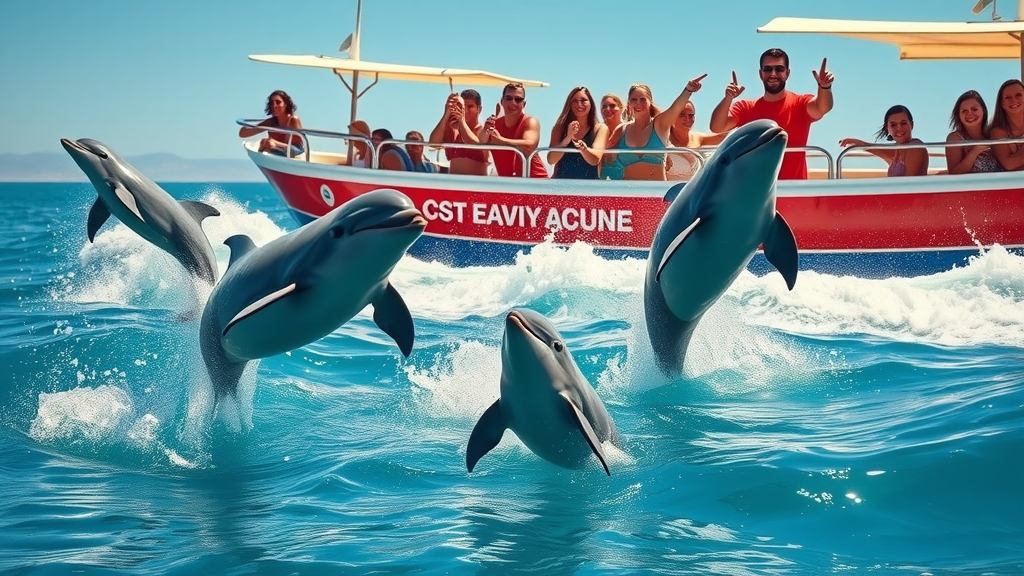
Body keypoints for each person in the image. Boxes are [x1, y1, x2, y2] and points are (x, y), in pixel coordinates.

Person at [710, 48, 835, 180]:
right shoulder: (745, 108)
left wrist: (825, 87)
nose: (773, 74)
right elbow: (717, 127)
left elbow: (822, 107)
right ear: (760, 74)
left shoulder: (800, 104)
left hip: (792, 190)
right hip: (754, 192)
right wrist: (728, 98)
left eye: (779, 69)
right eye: (768, 69)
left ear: (787, 73)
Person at [609, 76, 707, 181]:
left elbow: (675, 109)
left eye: (643, 99)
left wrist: (688, 90)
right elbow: (606, 160)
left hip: (656, 193)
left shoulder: (659, 125)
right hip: (628, 193)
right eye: (634, 100)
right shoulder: (622, 130)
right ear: (629, 103)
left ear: (650, 102)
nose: (638, 103)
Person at [479, 83, 548, 178]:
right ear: (502, 101)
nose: (513, 102)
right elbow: (480, 143)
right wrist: (485, 129)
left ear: (524, 104)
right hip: (509, 184)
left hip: (535, 183)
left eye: (518, 99)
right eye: (508, 98)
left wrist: (502, 141)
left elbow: (530, 144)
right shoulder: (494, 124)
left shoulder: (530, 122)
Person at [840, 105, 928, 177]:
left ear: (911, 125)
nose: (899, 128)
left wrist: (861, 144)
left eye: (903, 123)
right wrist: (859, 144)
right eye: (893, 125)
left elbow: (909, 185)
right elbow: (878, 150)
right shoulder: (898, 150)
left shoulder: (915, 147)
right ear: (887, 128)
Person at [547, 87, 608, 179]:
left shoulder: (600, 128)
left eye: (583, 100)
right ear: (569, 104)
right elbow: (551, 160)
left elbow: (595, 159)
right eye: (575, 101)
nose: (579, 104)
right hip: (561, 187)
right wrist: (568, 138)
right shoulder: (559, 128)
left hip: (589, 188)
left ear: (590, 103)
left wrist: (582, 148)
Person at [429, 89, 489, 176]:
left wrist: (461, 121)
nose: (466, 111)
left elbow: (475, 145)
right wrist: (446, 114)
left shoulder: (484, 131)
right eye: (463, 107)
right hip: (454, 185)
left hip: (477, 186)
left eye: (470, 106)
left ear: (479, 109)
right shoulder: (453, 131)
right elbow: (433, 143)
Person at [666, 101, 727, 181]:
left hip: (695, 190)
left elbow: (724, 136)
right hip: (669, 190)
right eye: (682, 115)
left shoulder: (697, 138)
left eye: (691, 115)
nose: (687, 119)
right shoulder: (664, 139)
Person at [945, 90, 1001, 174]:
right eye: (964, 111)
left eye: (974, 109)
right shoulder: (955, 138)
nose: (969, 114)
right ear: (958, 115)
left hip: (1000, 185)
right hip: (973, 186)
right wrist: (974, 152)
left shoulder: (993, 134)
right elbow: (954, 174)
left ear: (983, 110)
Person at [238, 90, 304, 157]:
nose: (274, 106)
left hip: (296, 152)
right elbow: (242, 133)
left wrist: (274, 143)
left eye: (278, 102)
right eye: (272, 103)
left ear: (285, 104)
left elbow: (299, 146)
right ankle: (264, 162)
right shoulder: (271, 122)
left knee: (269, 143)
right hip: (278, 151)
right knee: (264, 142)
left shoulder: (293, 119)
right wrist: (258, 127)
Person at [988, 78, 1024, 172]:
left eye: (1018, 95)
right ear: (1002, 104)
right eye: (1008, 98)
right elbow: (1008, 165)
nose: (1014, 100)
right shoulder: (997, 131)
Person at [598, 94, 628, 180]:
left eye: (612, 106)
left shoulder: (629, 130)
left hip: (628, 186)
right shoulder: (598, 133)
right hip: (603, 185)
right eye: (604, 107)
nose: (607, 109)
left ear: (621, 108)